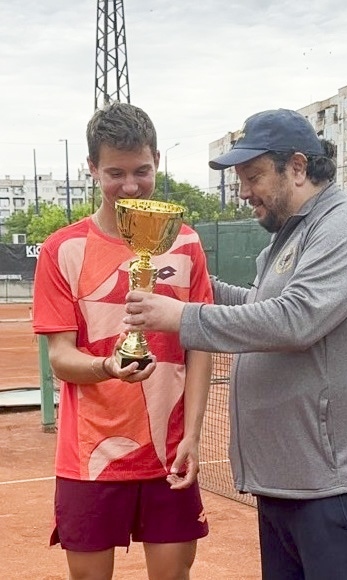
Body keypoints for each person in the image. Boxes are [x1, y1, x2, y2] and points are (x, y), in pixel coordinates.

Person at [122, 108, 347, 580]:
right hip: (285, 485)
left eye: (253, 176)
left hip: (338, 487)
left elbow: (296, 319)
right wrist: (194, 283)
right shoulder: (288, 237)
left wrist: (183, 316)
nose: (244, 192)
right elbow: (258, 304)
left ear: (297, 167)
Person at [32, 102, 212, 580]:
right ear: (91, 169)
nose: (130, 186)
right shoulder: (61, 250)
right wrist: (108, 367)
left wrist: (192, 434)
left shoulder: (186, 243)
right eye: (115, 172)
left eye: (142, 171)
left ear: (157, 162)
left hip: (167, 453)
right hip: (89, 458)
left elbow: (199, 348)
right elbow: (60, 359)